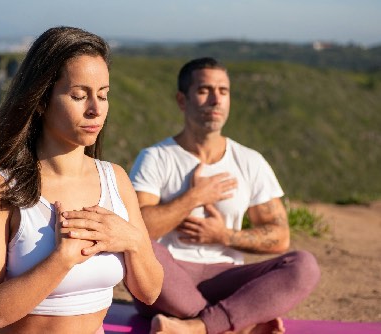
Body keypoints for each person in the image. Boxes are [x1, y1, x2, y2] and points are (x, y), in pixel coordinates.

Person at [0, 26, 163, 334]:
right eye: (79, 96)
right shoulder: (1, 186)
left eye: (103, 95)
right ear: (41, 100)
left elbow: (149, 292)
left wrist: (133, 241)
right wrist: (60, 260)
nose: (96, 109)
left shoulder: (115, 179)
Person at [129, 57, 320, 334]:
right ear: (182, 100)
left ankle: (196, 327)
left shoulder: (250, 161)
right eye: (205, 90)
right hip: (168, 275)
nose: (216, 100)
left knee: (304, 265)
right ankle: (238, 323)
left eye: (223, 91)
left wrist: (223, 236)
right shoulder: (155, 158)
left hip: (225, 276)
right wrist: (194, 197)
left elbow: (280, 236)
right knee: (142, 251)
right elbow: (138, 229)